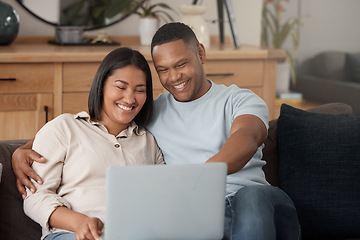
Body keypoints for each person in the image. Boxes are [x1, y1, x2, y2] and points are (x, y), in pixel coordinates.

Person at [13, 23, 300, 240]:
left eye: (182, 64)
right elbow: (92, 124)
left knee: (250, 200)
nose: (173, 77)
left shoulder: (240, 99)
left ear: (200, 52)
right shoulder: (151, 112)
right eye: (163, 70)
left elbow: (246, 138)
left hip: (257, 202)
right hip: (197, 216)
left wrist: (200, 178)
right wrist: (22, 149)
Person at [21, 47, 164, 240]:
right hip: (70, 235)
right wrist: (79, 222)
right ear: (102, 85)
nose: (130, 99)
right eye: (121, 87)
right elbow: (35, 197)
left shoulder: (148, 141)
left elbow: (163, 198)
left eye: (139, 90)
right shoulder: (65, 127)